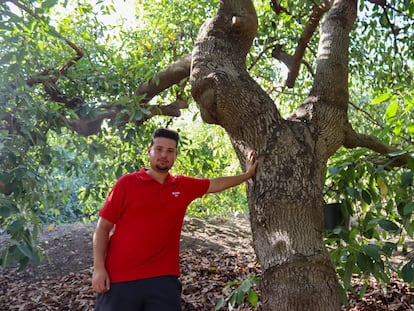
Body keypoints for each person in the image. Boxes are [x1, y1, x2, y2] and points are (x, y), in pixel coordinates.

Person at [92, 127, 258, 311]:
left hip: (163, 279)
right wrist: (99, 268)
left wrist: (247, 175)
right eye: (159, 149)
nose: (164, 155)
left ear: (175, 155)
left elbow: (215, 183)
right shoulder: (127, 183)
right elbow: (103, 227)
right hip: (120, 278)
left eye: (170, 151)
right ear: (150, 151)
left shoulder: (182, 185)